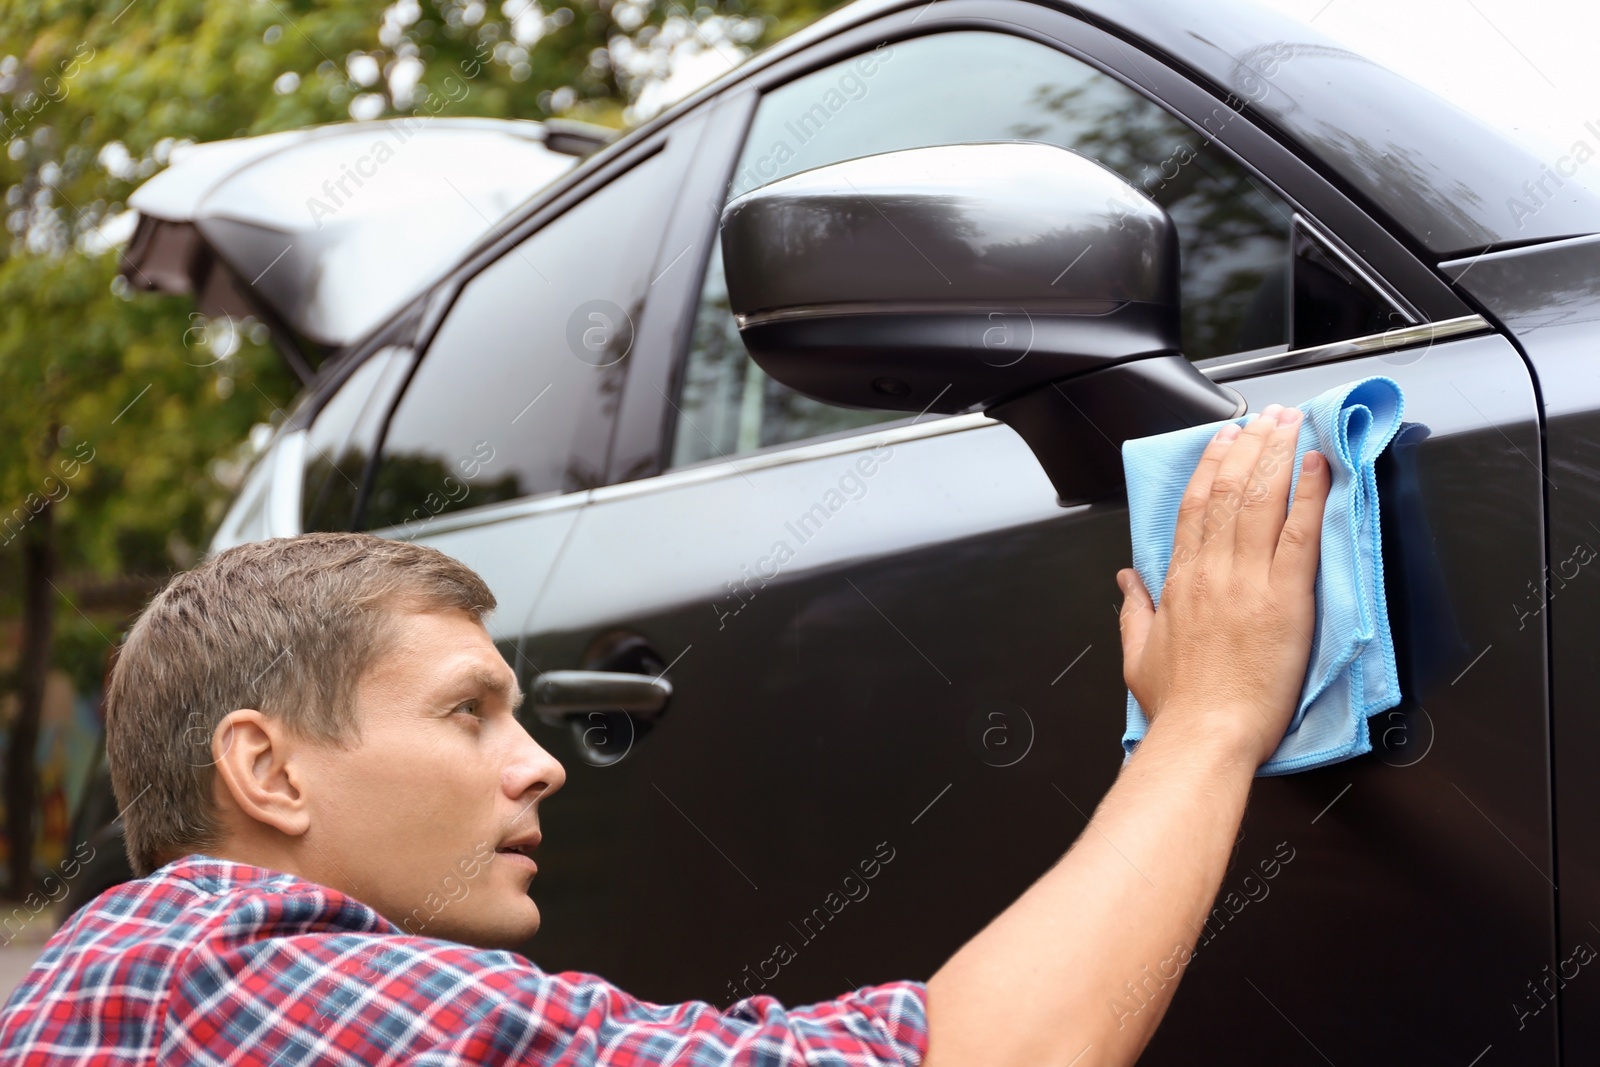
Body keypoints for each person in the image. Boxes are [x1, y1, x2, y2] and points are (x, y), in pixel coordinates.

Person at [0, 404, 1326, 1066]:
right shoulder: (252, 988)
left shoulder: (112, 973)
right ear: (268, 768)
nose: (544, 762)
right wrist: (1205, 725)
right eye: (470, 711)